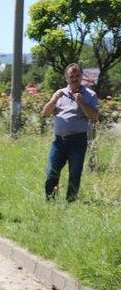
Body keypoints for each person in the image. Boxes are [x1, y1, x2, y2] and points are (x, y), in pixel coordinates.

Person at [41, 63, 99, 201]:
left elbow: (95, 117)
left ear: (82, 77)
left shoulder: (90, 95)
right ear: (66, 77)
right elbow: (45, 113)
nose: (74, 78)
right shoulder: (59, 93)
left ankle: (70, 203)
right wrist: (54, 99)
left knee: (74, 173)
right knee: (51, 172)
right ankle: (51, 201)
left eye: (77, 75)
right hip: (58, 141)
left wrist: (82, 103)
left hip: (77, 141)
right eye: (71, 76)